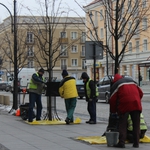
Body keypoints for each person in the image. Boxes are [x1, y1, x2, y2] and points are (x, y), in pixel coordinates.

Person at [109, 74, 143, 148]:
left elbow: (112, 99)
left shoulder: (116, 85)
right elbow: (141, 93)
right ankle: (136, 143)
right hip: (136, 104)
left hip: (124, 106)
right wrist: (136, 100)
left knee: (123, 124)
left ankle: (122, 143)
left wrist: (113, 111)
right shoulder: (133, 82)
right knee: (136, 124)